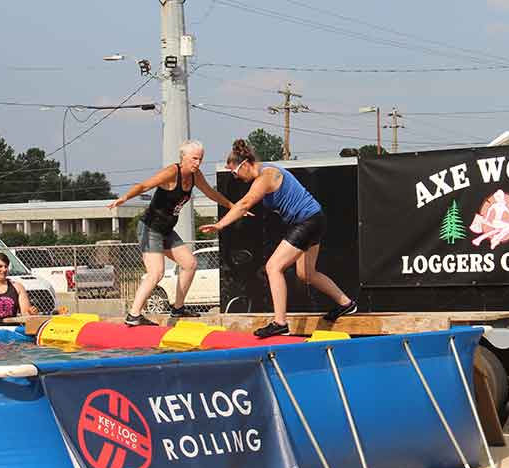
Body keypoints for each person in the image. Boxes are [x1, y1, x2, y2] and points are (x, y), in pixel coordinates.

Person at [199, 139, 357, 337]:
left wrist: (220, 225)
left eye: (234, 172)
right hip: (315, 219)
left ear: (245, 164)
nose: (236, 177)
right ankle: (347, 304)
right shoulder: (266, 174)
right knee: (306, 274)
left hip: (307, 221)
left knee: (273, 267)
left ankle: (280, 322)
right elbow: (245, 204)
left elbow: (245, 202)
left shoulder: (266, 175)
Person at [108, 140, 241, 326]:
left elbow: (210, 193)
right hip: (150, 229)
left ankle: (178, 308)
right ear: (184, 157)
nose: (198, 163)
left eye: (200, 159)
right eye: (194, 158)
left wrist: (233, 206)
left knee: (190, 263)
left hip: (166, 231)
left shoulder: (196, 176)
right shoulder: (172, 172)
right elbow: (144, 186)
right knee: (156, 273)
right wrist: (124, 197)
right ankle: (133, 315)